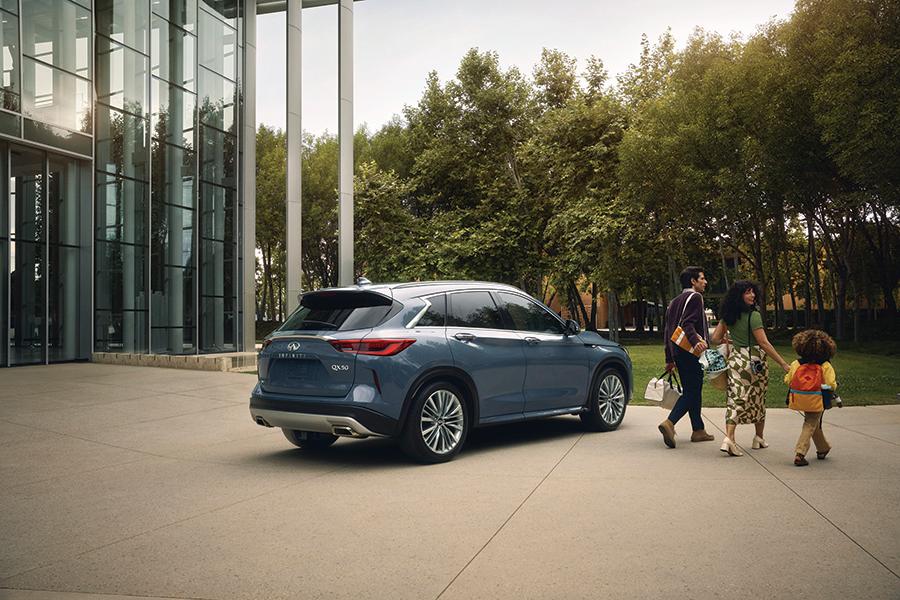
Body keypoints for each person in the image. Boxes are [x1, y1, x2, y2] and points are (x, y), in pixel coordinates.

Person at [710, 280, 790, 456]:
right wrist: (783, 363)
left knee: (736, 399)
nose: (752, 295)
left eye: (753, 292)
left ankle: (730, 438)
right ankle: (757, 437)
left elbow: (715, 339)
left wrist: (731, 340)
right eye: (748, 292)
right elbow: (763, 342)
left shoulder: (728, 316)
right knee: (758, 398)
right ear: (739, 296)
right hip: (755, 363)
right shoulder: (754, 316)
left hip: (735, 362)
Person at [658, 266, 716, 448]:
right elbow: (687, 323)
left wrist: (669, 359)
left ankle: (698, 430)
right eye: (702, 278)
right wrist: (696, 342)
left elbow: (668, 332)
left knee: (693, 390)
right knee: (692, 391)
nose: (705, 282)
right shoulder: (695, 297)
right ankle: (670, 423)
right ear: (693, 281)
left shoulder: (674, 302)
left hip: (678, 352)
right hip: (691, 352)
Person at [784, 329, 837, 466]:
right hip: (817, 399)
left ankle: (823, 448)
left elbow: (788, 380)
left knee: (813, 423)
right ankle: (800, 453)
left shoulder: (797, 363)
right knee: (810, 423)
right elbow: (831, 384)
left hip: (799, 398)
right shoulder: (825, 365)